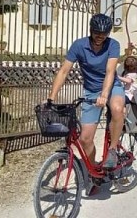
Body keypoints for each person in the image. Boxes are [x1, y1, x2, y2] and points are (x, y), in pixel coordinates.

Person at [48, 13, 125, 171]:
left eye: (104, 34)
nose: (100, 37)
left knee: (117, 109)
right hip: (91, 90)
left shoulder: (113, 45)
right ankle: (93, 169)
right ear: (91, 30)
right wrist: (51, 98)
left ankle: (112, 150)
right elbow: (64, 71)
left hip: (111, 86)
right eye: (97, 33)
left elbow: (110, 71)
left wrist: (104, 95)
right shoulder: (79, 45)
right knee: (85, 139)